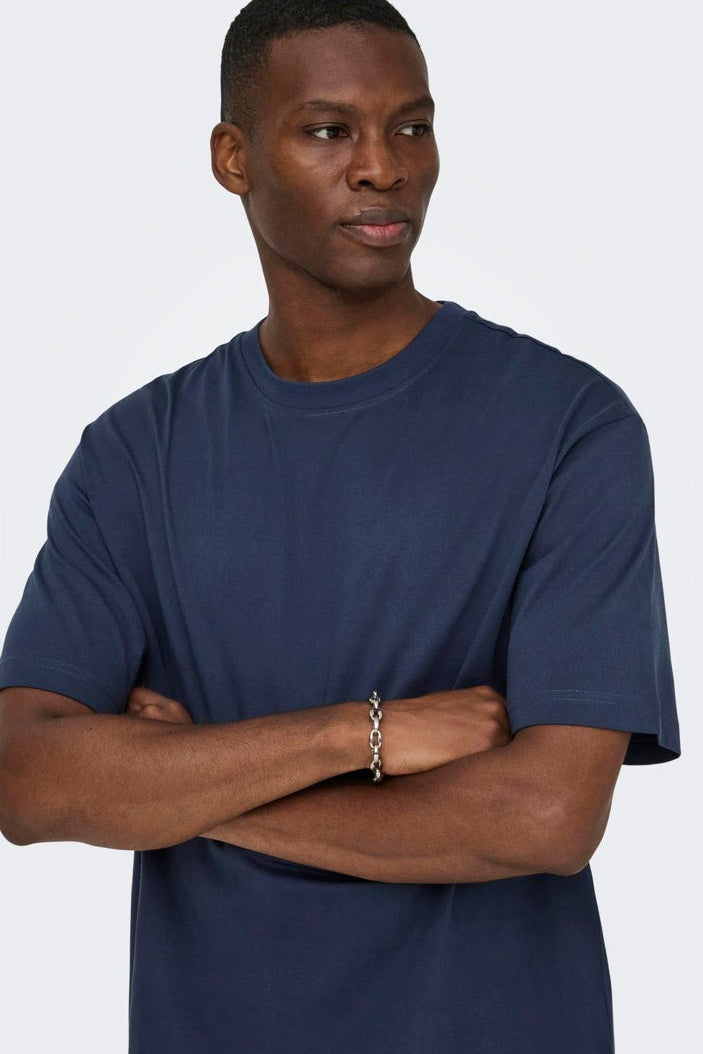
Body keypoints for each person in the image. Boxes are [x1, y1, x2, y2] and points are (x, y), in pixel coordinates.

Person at [0, 1, 681, 1051]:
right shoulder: (135, 453)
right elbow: (26, 778)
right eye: (328, 130)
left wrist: (179, 786)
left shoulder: (568, 426)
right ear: (234, 158)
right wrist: (356, 735)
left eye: (412, 127)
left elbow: (544, 817)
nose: (383, 167)